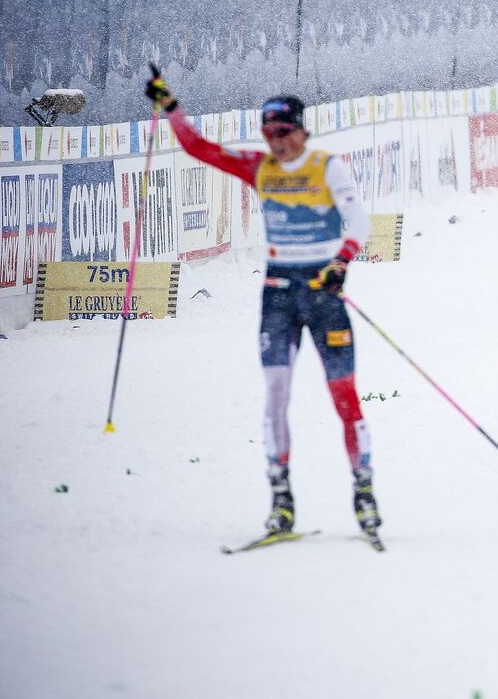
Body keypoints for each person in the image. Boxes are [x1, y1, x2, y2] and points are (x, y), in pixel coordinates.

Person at [145, 72, 381, 538]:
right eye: (269, 135)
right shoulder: (259, 167)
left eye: (284, 134)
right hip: (278, 294)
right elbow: (200, 149)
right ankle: (281, 500)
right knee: (275, 396)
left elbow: (358, 221)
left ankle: (363, 489)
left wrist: (341, 263)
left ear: (302, 130)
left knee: (344, 398)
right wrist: (172, 107)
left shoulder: (327, 166)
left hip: (322, 292)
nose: (277, 144)